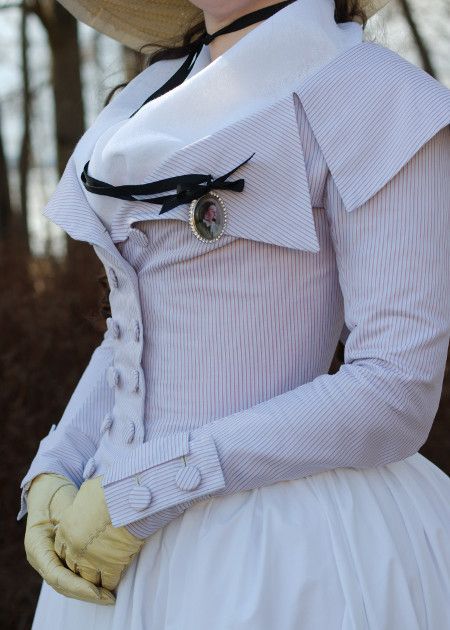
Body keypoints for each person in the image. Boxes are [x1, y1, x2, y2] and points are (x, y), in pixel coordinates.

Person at [18, 0, 450, 628]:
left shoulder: (373, 94)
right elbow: (132, 338)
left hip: (283, 549)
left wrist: (154, 485)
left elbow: (394, 390)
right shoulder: (145, 104)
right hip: (111, 536)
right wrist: (54, 468)